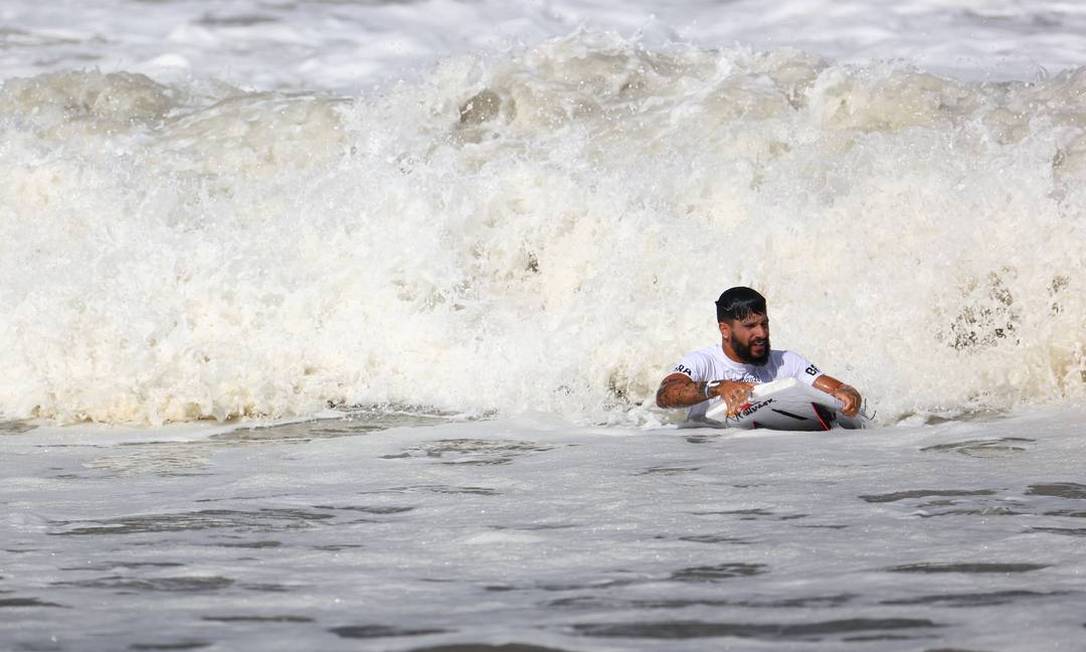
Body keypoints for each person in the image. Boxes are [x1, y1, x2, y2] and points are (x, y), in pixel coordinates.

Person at [656, 286, 862, 421]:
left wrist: (850, 396)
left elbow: (839, 388)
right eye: (750, 326)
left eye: (764, 324)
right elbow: (665, 395)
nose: (762, 333)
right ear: (725, 330)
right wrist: (718, 387)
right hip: (711, 452)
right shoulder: (702, 362)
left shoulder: (787, 362)